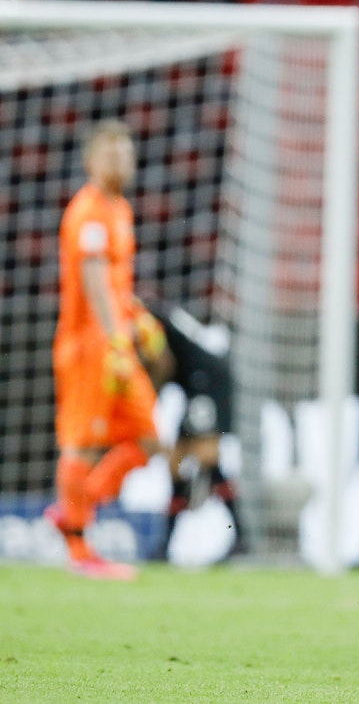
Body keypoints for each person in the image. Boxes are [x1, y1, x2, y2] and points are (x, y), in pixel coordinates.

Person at [45, 120, 165, 580]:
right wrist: (117, 337)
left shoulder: (120, 210)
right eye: (110, 153)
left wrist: (137, 317)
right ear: (90, 161)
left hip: (116, 341)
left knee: (150, 438)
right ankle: (79, 549)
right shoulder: (89, 212)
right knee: (82, 443)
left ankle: (74, 509)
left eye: (126, 152)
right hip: (89, 347)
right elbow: (94, 279)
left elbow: (115, 285)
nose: (120, 161)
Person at [136, 300, 245, 561]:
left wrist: (145, 401)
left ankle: (240, 536)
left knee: (206, 457)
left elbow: (164, 364)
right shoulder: (146, 313)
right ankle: (166, 546)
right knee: (177, 465)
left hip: (207, 381)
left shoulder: (144, 319)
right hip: (196, 386)